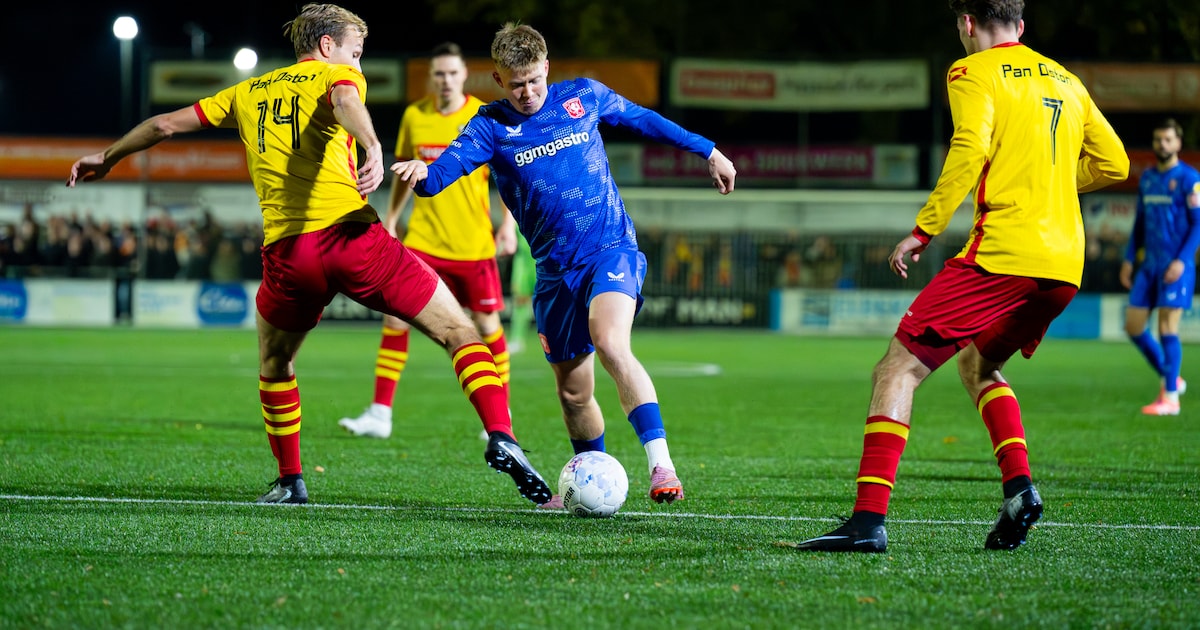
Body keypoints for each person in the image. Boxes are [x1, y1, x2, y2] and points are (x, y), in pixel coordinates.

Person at [66, 3, 551, 507]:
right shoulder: (337, 76)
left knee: (275, 362)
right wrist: (371, 146)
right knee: (460, 332)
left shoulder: (245, 92)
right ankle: (501, 433)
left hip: (289, 256)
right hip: (353, 239)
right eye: (356, 53)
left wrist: (108, 156)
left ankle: (290, 479)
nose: (358, 65)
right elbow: (344, 99)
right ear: (326, 47)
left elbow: (165, 124)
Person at [790, 0, 1128, 553]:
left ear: (966, 23)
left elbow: (969, 146)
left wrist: (923, 231)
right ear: (1021, 26)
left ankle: (867, 522)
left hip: (1003, 255)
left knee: (896, 369)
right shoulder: (1067, 79)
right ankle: (1020, 490)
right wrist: (1050, 185)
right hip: (1065, 266)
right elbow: (1114, 163)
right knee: (978, 363)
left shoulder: (970, 70)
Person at [393, 22, 737, 506]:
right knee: (574, 395)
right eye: (516, 84)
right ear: (498, 80)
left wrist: (708, 150)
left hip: (609, 250)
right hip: (554, 275)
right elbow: (441, 174)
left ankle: (662, 465)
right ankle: (587, 478)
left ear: (547, 68)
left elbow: (644, 119)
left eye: (534, 80)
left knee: (611, 340)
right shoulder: (490, 126)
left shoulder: (583, 97)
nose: (528, 92)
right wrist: (421, 174)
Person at [337, 42, 519, 440]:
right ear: (431, 77)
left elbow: (506, 177)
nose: (446, 80)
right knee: (394, 318)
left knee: (487, 327)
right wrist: (392, 219)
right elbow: (404, 171)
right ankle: (380, 413)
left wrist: (508, 225)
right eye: (439, 74)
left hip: (472, 243)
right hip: (423, 241)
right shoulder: (415, 116)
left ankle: (499, 421)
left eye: (453, 73)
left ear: (464, 76)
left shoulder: (482, 116)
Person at [1120, 118, 1200, 416]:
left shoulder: (1190, 179)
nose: (1162, 145)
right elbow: (1140, 223)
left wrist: (1182, 260)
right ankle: (1173, 378)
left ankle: (1170, 399)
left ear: (1178, 143)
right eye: (1158, 140)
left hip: (1175, 266)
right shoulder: (1148, 179)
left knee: (1168, 327)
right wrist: (1129, 259)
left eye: (1168, 139)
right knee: (1133, 326)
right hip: (1148, 266)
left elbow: (1198, 225)